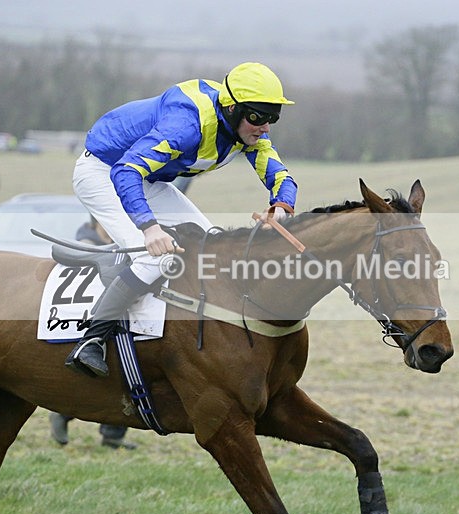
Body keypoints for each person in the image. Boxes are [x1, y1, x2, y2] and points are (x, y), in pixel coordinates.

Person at [65, 61, 297, 378]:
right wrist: (149, 227)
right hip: (105, 171)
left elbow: (281, 176)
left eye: (272, 118)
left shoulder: (246, 129)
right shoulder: (186, 126)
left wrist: (280, 207)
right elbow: (126, 171)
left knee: (212, 245)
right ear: (231, 109)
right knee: (153, 257)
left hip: (147, 178)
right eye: (258, 116)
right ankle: (91, 340)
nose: (265, 126)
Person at [50, 216, 137, 449]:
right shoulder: (86, 236)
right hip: (86, 307)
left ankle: (113, 434)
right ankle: (62, 412)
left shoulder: (123, 236)